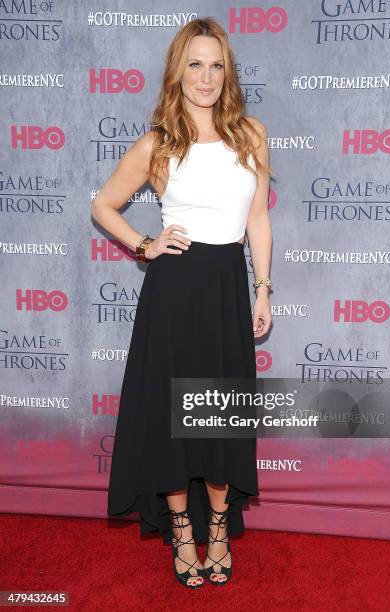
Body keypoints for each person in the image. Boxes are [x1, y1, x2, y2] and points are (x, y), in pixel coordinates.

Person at [91, 17, 272, 589]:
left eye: (216, 64)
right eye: (195, 63)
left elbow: (258, 219)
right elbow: (103, 205)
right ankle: (181, 533)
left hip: (225, 293)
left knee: (220, 419)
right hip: (172, 294)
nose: (206, 76)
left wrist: (262, 287)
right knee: (174, 423)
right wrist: (145, 244)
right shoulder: (158, 144)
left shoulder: (251, 135)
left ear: (228, 72)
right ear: (178, 70)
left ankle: (218, 527)